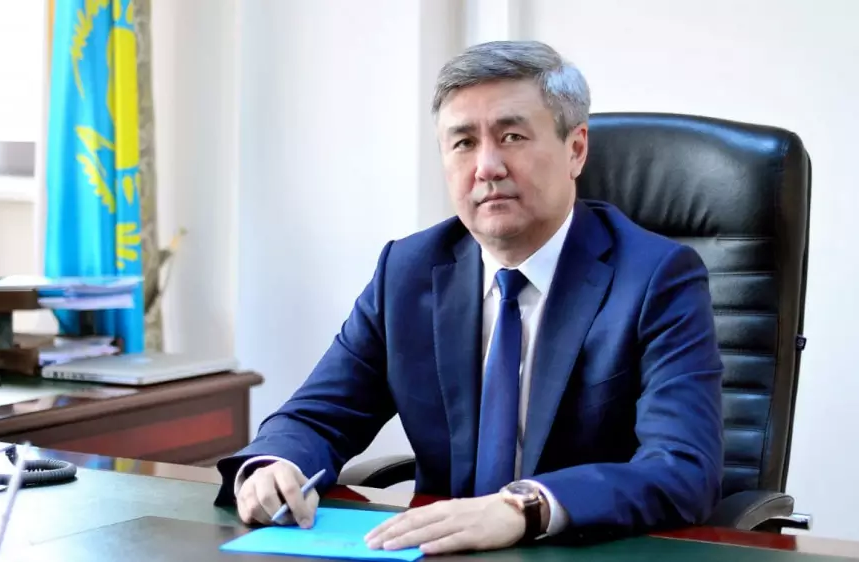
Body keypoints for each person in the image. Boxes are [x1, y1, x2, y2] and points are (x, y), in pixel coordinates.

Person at [214, 40, 724, 554]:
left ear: (576, 150)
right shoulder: (408, 271)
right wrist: (274, 465)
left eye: (512, 137)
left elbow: (682, 467)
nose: (487, 167)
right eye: (463, 143)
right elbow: (316, 416)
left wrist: (526, 507)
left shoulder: (657, 278)